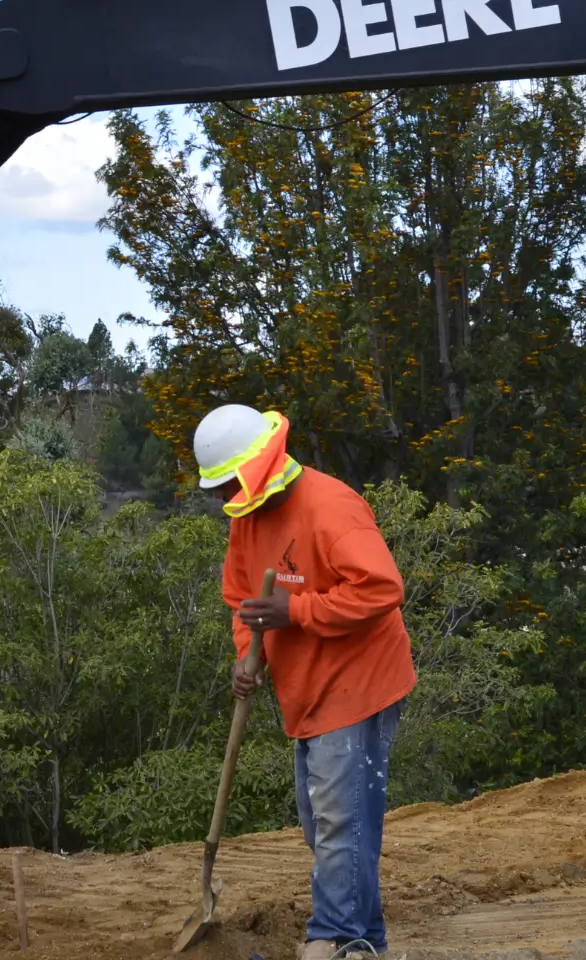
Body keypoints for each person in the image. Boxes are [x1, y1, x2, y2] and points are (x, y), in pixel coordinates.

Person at [194, 404, 416, 960]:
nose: (222, 500)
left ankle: (332, 938)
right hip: (306, 688)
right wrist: (248, 658)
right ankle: (365, 942)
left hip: (359, 679)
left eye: (227, 485)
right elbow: (242, 601)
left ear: (254, 469)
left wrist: (295, 611)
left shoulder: (330, 507)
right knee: (323, 820)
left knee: (341, 819)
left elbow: (381, 588)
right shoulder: (246, 522)